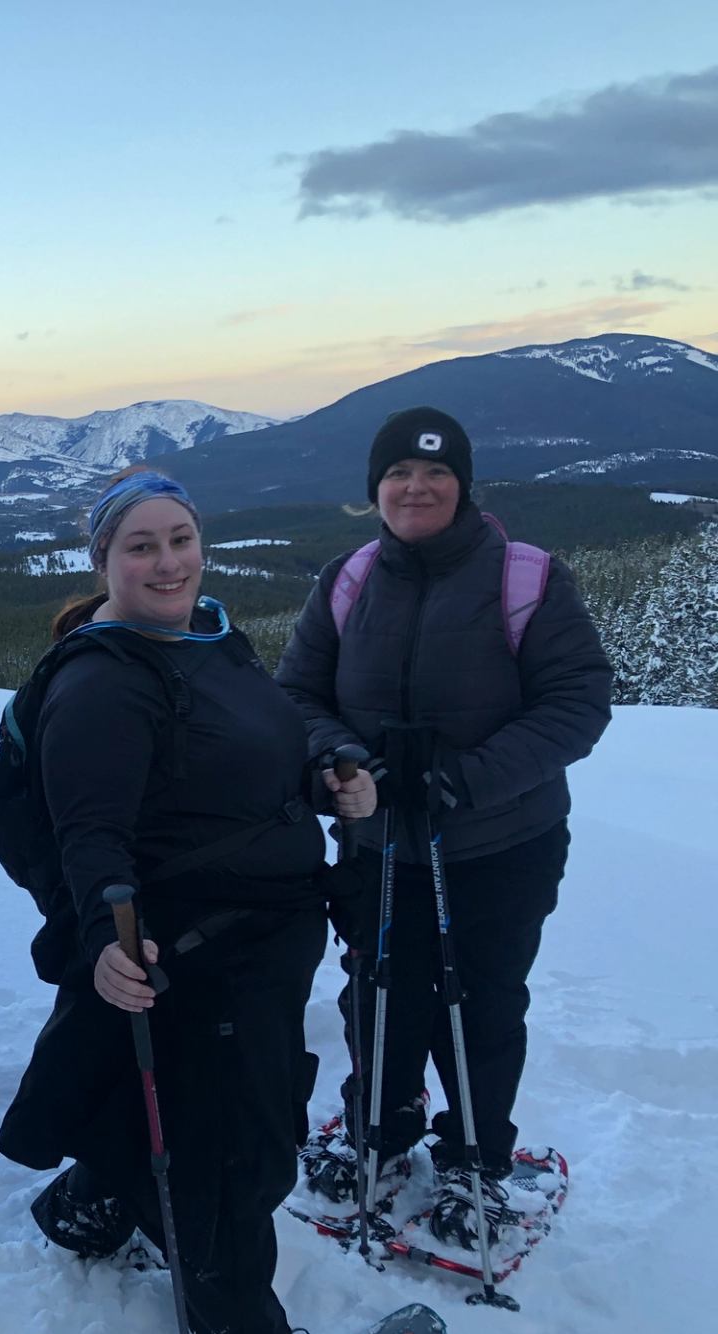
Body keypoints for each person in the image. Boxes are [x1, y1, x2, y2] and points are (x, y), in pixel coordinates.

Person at [0, 470, 383, 1334]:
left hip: (256, 941)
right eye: (141, 545)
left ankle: (90, 1208)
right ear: (104, 561)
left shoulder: (208, 636)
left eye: (180, 539)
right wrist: (103, 937)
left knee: (177, 1109)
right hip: (200, 957)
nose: (167, 562)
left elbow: (242, 752)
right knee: (229, 1159)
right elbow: (91, 834)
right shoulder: (102, 681)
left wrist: (320, 776)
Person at [276, 407, 611, 1249]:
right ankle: (380, 1129)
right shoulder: (348, 581)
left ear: (464, 485)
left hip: (500, 845)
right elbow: (297, 697)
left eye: (435, 473)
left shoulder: (528, 579)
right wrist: (344, 761)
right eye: (398, 473)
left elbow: (576, 704)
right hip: (377, 843)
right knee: (378, 991)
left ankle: (475, 1156)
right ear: (375, 489)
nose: (415, 487)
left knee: (483, 1001)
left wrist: (461, 780)